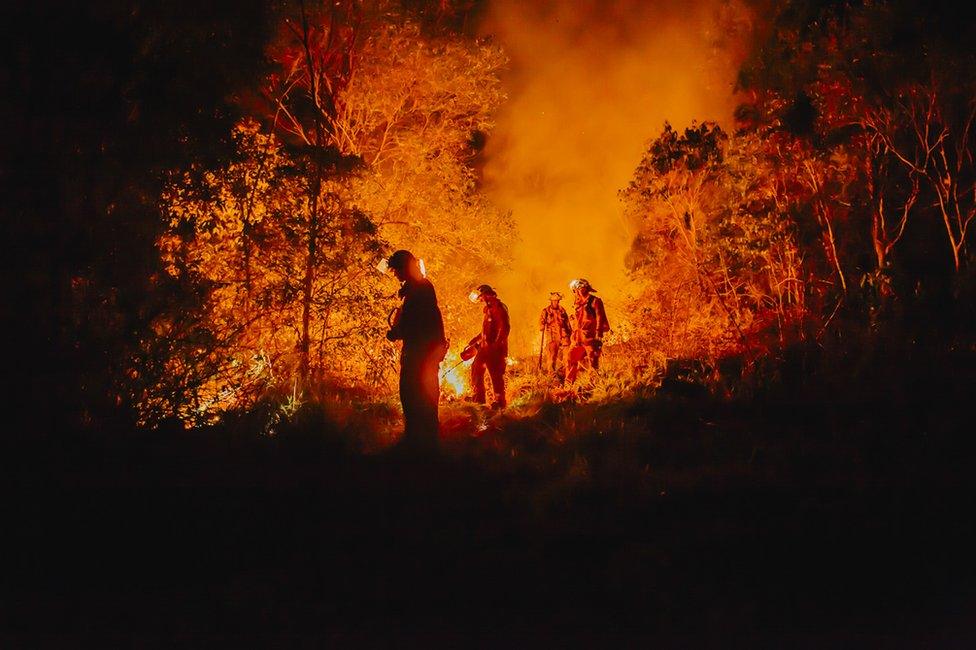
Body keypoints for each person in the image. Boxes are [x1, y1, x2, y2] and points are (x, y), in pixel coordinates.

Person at [385, 250, 447, 451]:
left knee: (416, 395)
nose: (396, 275)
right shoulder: (419, 287)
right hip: (422, 352)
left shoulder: (420, 290)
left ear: (405, 267)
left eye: (397, 270)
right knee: (415, 394)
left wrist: (397, 332)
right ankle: (422, 440)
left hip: (421, 353)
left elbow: (415, 322)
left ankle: (421, 442)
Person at [469, 284, 510, 409]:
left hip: (495, 350)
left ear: (486, 295)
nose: (480, 300)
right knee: (476, 368)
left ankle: (500, 402)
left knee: (496, 375)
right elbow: (487, 331)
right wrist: (476, 340)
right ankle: (479, 398)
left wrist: (496, 345)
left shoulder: (498, 307)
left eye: (481, 297)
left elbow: (504, 328)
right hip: (485, 348)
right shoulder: (488, 309)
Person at [566, 278, 610, 383]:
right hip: (577, 338)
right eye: (575, 290)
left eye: (578, 289)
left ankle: (594, 385)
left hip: (590, 337)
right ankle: (568, 386)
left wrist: (599, 333)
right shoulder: (577, 303)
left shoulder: (595, 301)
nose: (576, 292)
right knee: (570, 358)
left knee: (593, 362)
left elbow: (600, 317)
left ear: (585, 288)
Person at [538, 291, 571, 375]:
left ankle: (567, 372)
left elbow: (567, 323)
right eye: (555, 301)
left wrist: (570, 333)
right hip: (552, 336)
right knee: (552, 355)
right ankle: (551, 374)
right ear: (551, 301)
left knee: (567, 355)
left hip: (564, 335)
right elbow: (541, 322)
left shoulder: (562, 311)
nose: (556, 302)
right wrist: (542, 325)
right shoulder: (546, 311)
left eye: (558, 301)